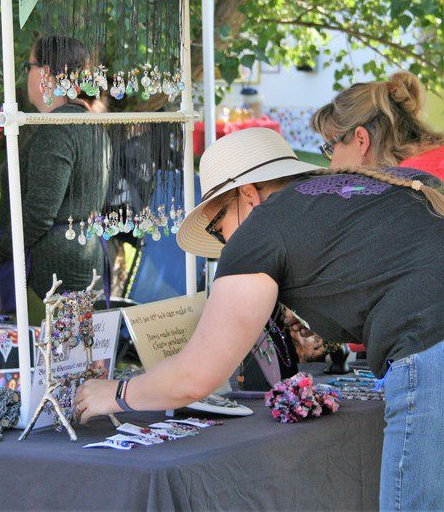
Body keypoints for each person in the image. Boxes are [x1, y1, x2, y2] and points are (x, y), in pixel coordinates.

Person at [75, 128, 444, 510]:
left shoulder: (262, 226)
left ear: (247, 195)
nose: (224, 246)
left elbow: (194, 377)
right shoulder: (370, 185)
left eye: (218, 229)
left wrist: (116, 394)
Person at [0, 36, 110, 324]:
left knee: (46, 362)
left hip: (50, 273)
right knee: (73, 362)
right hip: (79, 260)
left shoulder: (58, 129)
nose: (26, 74)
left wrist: (5, 248)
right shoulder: (92, 125)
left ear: (45, 73)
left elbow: (40, 213)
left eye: (28, 66)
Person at [312, 70, 444, 178]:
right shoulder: (430, 162)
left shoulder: (411, 185)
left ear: (361, 140)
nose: (331, 165)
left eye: (331, 149)